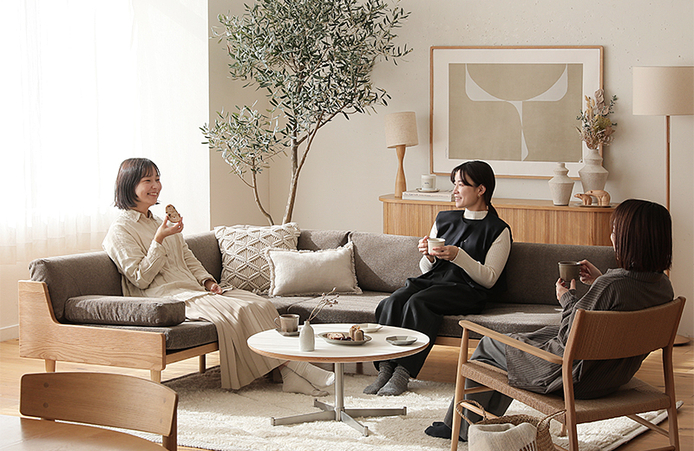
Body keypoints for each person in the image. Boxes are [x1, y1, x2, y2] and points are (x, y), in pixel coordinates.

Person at [426, 198, 675, 442]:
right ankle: (478, 424)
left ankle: (459, 427)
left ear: (630, 239)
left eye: (615, 231)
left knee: (489, 345)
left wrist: (567, 298)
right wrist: (599, 281)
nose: (611, 236)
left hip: (571, 378)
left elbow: (569, 340)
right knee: (515, 344)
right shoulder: (663, 286)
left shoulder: (611, 286)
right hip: (611, 376)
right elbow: (617, 307)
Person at [102, 158, 333, 395]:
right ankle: (299, 368)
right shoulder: (120, 230)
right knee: (239, 310)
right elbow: (140, 278)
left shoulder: (161, 222)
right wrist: (159, 240)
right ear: (129, 185)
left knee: (261, 304)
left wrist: (208, 281)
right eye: (147, 180)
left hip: (193, 290)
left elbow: (187, 257)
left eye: (157, 179)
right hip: (165, 297)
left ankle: (288, 374)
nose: (155, 186)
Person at [365, 160, 512, 396]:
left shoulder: (498, 229)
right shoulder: (444, 219)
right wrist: (429, 256)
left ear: (481, 189)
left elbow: (489, 279)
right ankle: (385, 368)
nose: (454, 191)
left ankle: (403, 372)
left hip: (468, 290)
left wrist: (458, 255)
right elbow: (427, 269)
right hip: (433, 282)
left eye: (461, 184)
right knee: (391, 302)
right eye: (455, 184)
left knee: (418, 303)